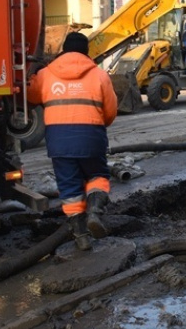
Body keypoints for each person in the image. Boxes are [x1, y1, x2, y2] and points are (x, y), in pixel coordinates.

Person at [27, 32, 118, 251]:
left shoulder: (47, 74)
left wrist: (33, 76)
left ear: (64, 50)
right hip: (91, 136)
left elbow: (30, 96)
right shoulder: (99, 75)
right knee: (97, 176)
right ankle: (95, 212)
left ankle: (81, 236)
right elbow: (111, 111)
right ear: (86, 51)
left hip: (59, 141)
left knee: (69, 188)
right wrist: (98, 123)